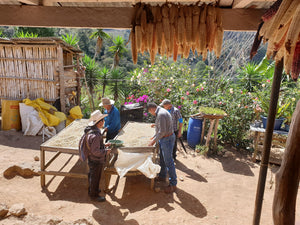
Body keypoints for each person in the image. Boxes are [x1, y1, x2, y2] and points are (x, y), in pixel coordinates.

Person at [80, 110, 111, 202]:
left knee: (92, 175)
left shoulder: (90, 131)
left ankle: (92, 191)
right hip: (96, 159)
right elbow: (95, 151)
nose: (103, 122)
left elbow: (93, 146)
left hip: (91, 158)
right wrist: (105, 151)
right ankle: (94, 196)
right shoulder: (96, 135)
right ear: (98, 122)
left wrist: (104, 145)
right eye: (102, 120)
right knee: (95, 177)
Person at [147, 102, 177, 194]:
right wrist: (155, 130)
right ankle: (162, 175)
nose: (151, 114)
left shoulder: (161, 114)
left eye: (150, 112)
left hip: (166, 138)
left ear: (152, 109)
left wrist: (153, 141)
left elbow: (163, 131)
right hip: (166, 137)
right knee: (163, 158)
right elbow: (163, 125)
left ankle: (173, 184)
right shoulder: (161, 111)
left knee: (168, 161)